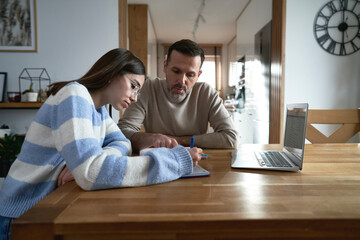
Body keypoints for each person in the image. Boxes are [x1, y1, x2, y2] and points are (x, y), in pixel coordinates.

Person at [0, 48, 203, 240]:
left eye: (138, 91)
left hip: (50, 207)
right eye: (133, 86)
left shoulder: (98, 111)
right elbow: (91, 173)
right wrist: (174, 160)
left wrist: (88, 162)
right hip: (22, 215)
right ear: (112, 73)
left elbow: (123, 142)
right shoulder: (74, 95)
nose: (134, 97)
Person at [118, 39, 237, 151]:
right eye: (176, 71)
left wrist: (179, 141)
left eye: (190, 75)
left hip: (195, 162)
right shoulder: (148, 89)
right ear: (165, 67)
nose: (181, 81)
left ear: (198, 75)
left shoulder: (206, 93)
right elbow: (122, 132)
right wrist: (154, 139)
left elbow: (231, 138)